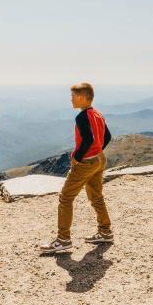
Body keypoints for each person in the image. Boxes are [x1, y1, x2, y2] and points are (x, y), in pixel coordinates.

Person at [39, 83, 113, 254]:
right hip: (99, 159)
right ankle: (105, 232)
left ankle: (63, 240)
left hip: (86, 162)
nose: (71, 99)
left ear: (81, 97)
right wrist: (98, 151)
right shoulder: (97, 114)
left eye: (73, 96)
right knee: (96, 196)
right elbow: (107, 136)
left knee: (65, 197)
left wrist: (77, 158)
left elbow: (87, 139)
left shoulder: (81, 117)